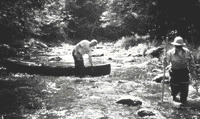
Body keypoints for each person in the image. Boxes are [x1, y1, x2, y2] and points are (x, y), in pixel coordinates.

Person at [164, 36, 197, 104]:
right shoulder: (170, 53)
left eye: (179, 46)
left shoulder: (187, 52)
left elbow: (191, 62)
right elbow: (166, 64)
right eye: (176, 46)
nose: (177, 47)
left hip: (184, 72)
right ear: (174, 45)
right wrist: (164, 61)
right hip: (174, 73)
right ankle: (175, 105)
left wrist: (193, 72)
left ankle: (183, 106)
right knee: (174, 93)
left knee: (184, 93)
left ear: (182, 46)